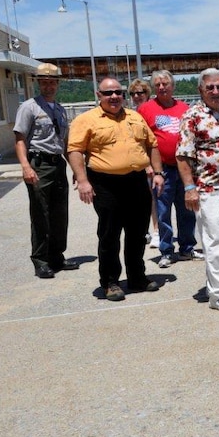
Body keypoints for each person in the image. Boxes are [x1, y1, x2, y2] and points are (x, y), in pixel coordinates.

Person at [67, 77, 164, 302]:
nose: (114, 97)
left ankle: (137, 277)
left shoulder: (135, 117)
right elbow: (75, 151)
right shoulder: (86, 120)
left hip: (137, 181)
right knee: (110, 234)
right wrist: (83, 181)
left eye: (118, 92)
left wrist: (158, 173)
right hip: (105, 183)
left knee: (137, 233)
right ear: (98, 95)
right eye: (108, 93)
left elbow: (152, 145)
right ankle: (110, 282)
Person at [176, 68, 219, 313]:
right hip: (208, 189)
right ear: (200, 90)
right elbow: (183, 155)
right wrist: (190, 188)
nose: (215, 91)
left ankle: (218, 284)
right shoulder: (192, 116)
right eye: (210, 88)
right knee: (215, 243)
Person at [13, 62, 79, 279]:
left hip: (57, 163)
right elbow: (20, 140)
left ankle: (56, 256)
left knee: (60, 213)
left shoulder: (59, 109)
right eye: (44, 82)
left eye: (52, 82)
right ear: (38, 83)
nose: (49, 86)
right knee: (41, 213)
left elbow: (66, 143)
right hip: (38, 165)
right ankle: (40, 260)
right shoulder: (29, 107)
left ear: (57, 84)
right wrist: (26, 167)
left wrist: (77, 171)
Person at [138, 70, 202, 268]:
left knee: (186, 210)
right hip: (161, 169)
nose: (161, 87)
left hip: (183, 168)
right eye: (157, 84)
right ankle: (166, 250)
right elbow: (140, 141)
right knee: (163, 211)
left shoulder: (184, 108)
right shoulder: (145, 109)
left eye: (165, 83)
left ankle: (187, 247)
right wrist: (148, 166)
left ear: (173, 86)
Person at [128, 77, 159, 247]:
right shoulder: (129, 114)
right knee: (138, 200)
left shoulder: (151, 111)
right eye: (133, 93)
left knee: (153, 197)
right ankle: (143, 231)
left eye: (141, 92)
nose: (137, 96)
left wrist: (149, 164)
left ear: (148, 93)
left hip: (151, 161)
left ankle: (157, 231)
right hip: (135, 162)